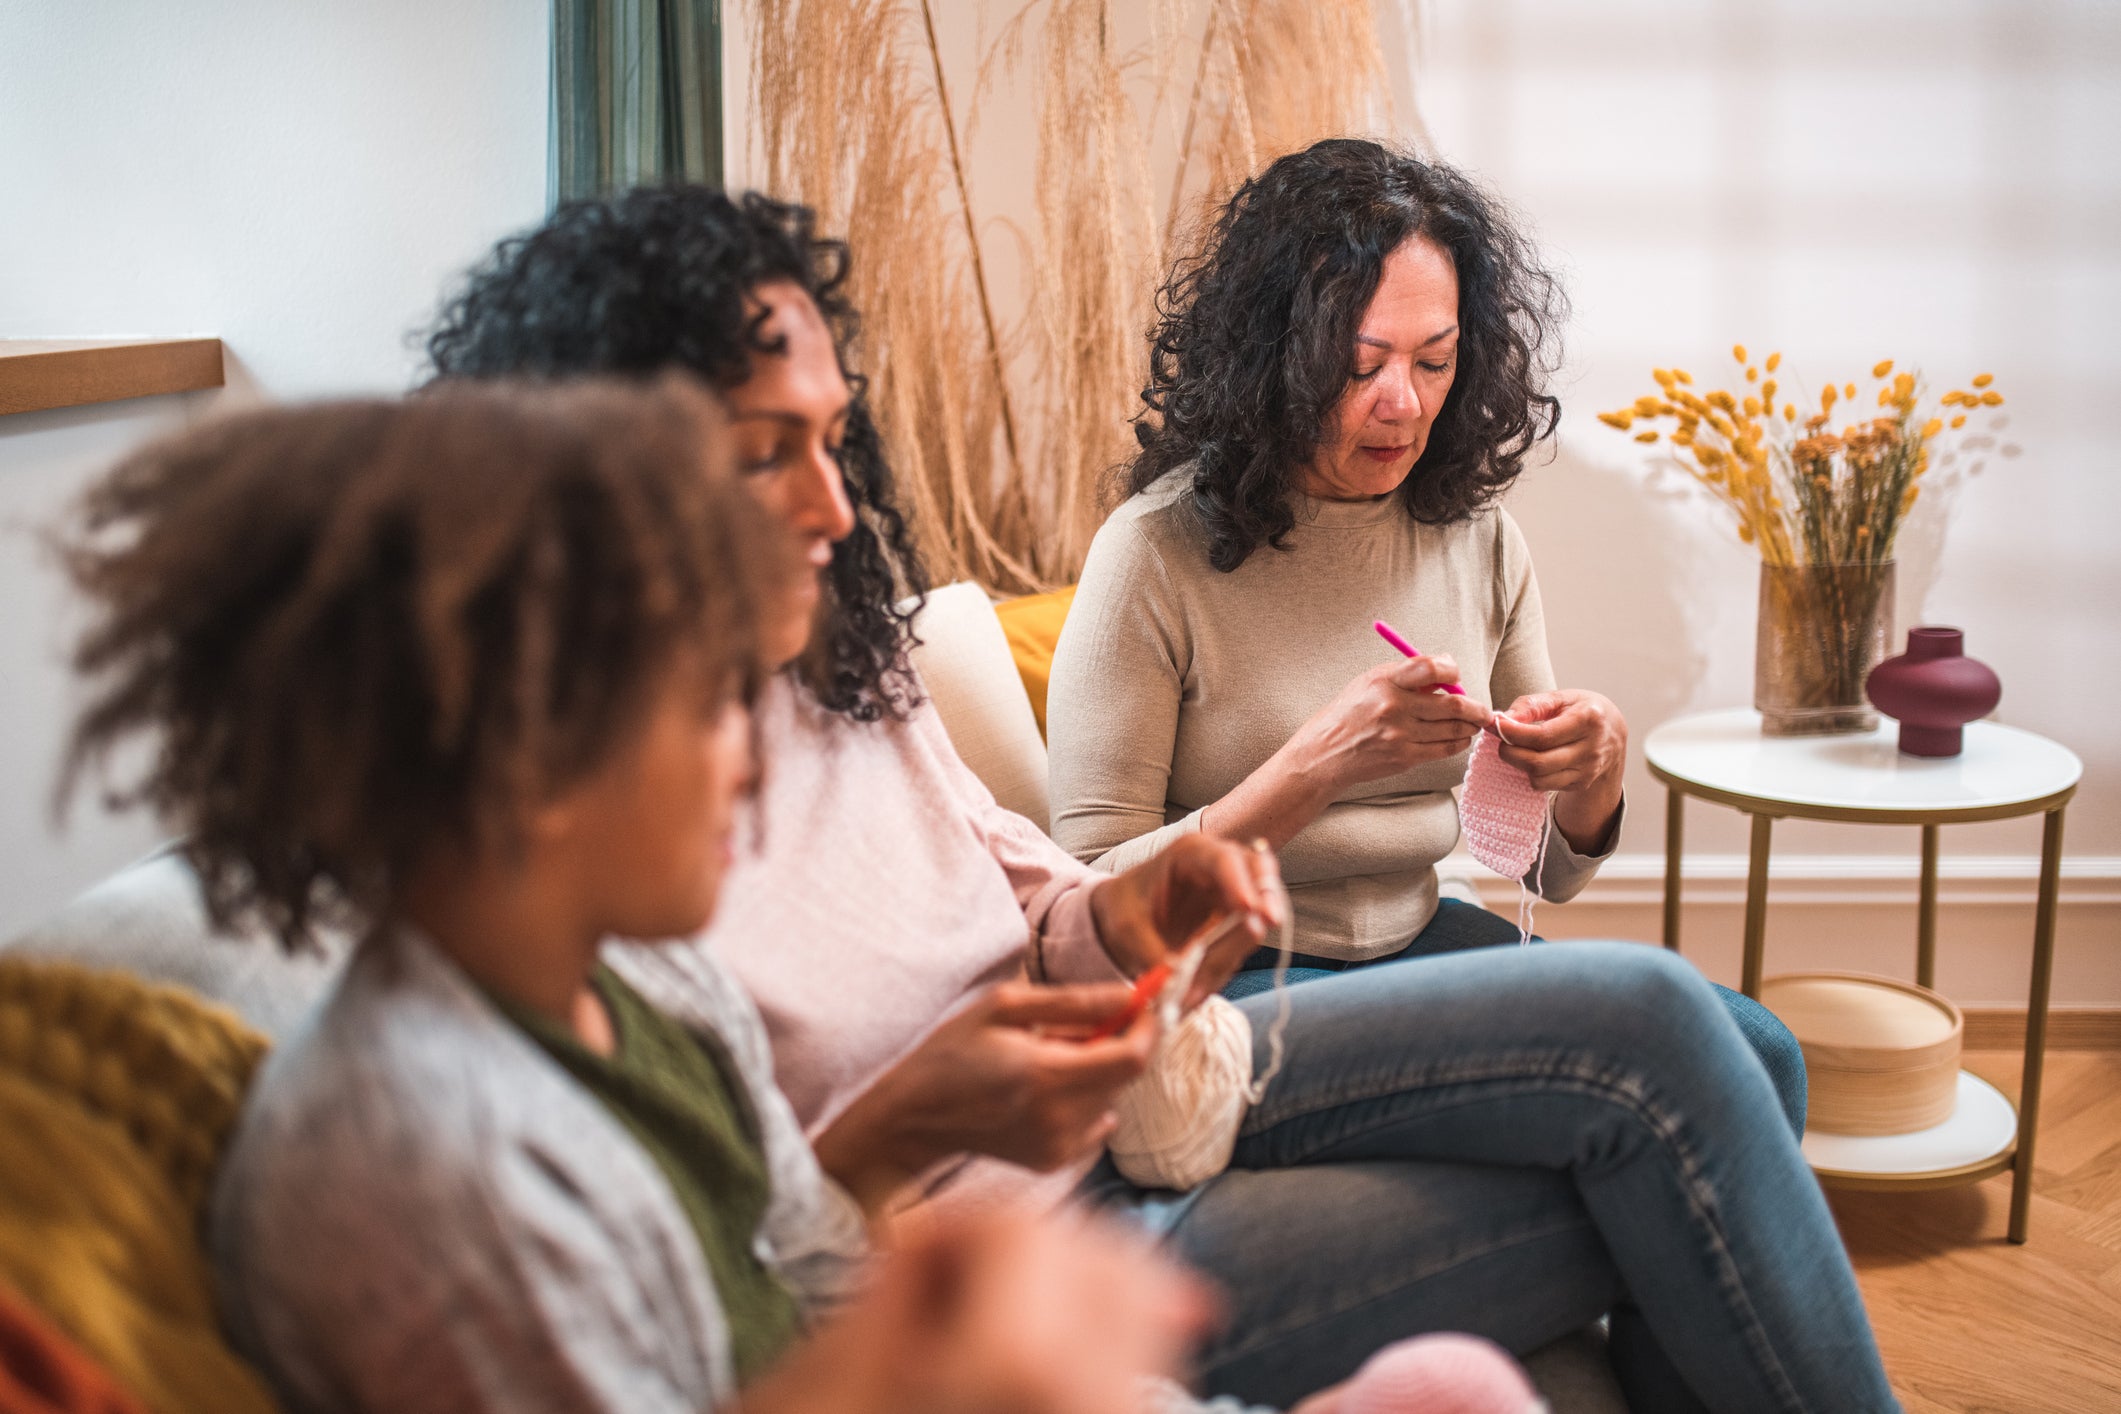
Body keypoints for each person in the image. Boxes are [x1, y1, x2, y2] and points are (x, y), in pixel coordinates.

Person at [426, 187, 1902, 1413]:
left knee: (1744, 1058)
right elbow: (725, 1262)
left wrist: (1586, 784)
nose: (834, 505)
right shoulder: (586, 842)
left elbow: (1049, 899)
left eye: (832, 440)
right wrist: (1288, 785)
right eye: (769, 453)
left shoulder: (838, 670)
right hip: (1116, 1135)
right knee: (1669, 1043)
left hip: (1159, 1062)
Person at [58, 379, 1215, 1414]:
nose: (754, 764)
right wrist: (943, 1343)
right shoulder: (426, 1170)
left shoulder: (643, 980)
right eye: (711, 700)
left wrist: (919, 1140)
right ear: (537, 750)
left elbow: (807, 1279)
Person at [1047, 137, 1805, 1138]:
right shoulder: (1153, 555)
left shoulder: (1476, 535)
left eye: (1434, 360)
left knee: (1758, 1053)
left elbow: (1545, 873)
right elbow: (1091, 909)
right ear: (1274, 361)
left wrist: (1592, 771)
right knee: (1644, 1076)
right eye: (1358, 366)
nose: (1402, 402)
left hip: (1419, 945)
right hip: (1237, 984)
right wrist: (1312, 769)